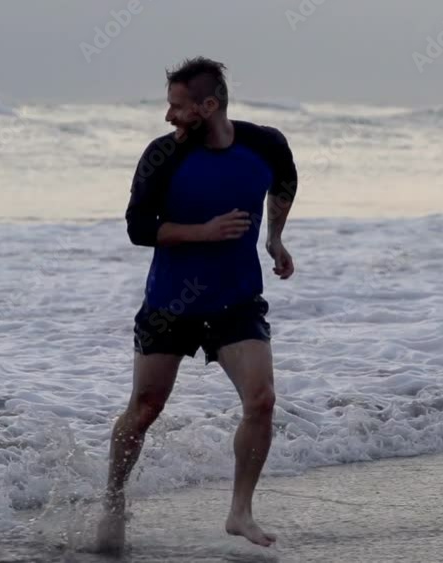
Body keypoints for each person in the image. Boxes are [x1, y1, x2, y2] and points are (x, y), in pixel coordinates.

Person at [96, 56, 298, 553]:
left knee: (261, 400)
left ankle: (240, 512)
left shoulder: (265, 144)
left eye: (178, 106)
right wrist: (203, 232)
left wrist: (274, 237)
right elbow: (138, 228)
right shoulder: (163, 156)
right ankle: (113, 501)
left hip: (236, 299)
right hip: (170, 303)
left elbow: (285, 181)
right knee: (145, 408)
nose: (169, 115)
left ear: (209, 106)